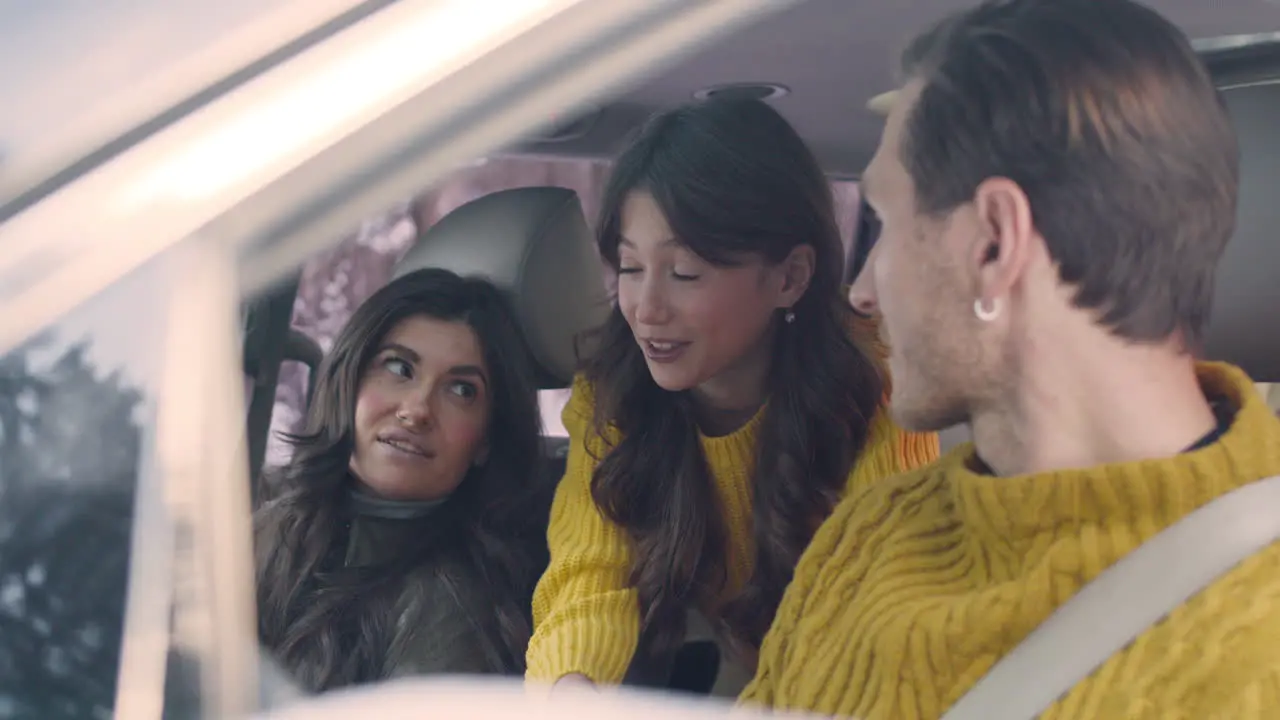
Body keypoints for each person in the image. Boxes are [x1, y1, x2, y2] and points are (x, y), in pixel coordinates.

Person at [741, 0, 1280, 717]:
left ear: (994, 244)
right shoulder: (867, 533)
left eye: (889, 225)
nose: (863, 292)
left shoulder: (1254, 655)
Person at [526, 97, 940, 689]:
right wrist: (568, 695)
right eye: (630, 268)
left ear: (790, 277)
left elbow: (875, 603)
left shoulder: (880, 378)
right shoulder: (612, 392)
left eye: (685, 273)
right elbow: (587, 577)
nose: (646, 309)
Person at [255, 268, 548, 692]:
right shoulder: (266, 510)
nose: (417, 409)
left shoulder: (454, 603)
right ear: (350, 379)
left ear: (486, 440)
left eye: (462, 390)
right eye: (399, 367)